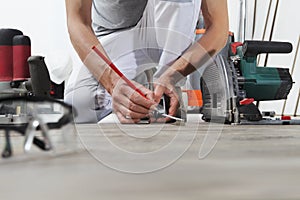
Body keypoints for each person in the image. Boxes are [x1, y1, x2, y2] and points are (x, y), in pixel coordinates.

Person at [64, 0, 229, 123]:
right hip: (113, 35)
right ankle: (140, 81)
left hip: (165, 32)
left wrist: (173, 74)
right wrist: (113, 83)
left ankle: (164, 92)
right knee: (80, 107)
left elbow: (218, 28)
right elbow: (78, 22)